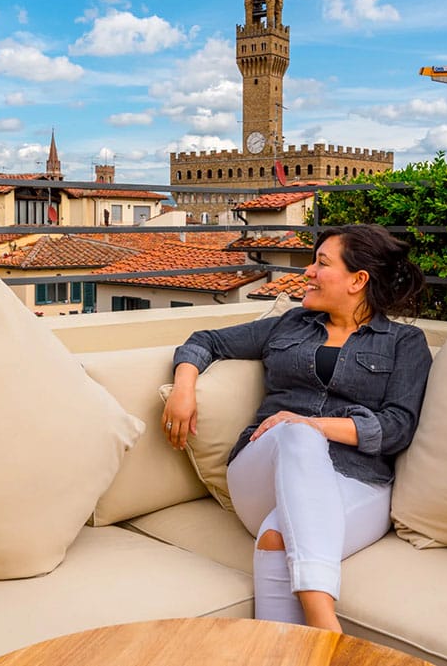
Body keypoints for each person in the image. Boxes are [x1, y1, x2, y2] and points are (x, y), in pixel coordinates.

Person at [162, 224, 432, 632]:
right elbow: (206, 341)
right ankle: (325, 624)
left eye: (321, 263)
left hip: (359, 482)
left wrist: (314, 423)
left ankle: (283, 651)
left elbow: (398, 427)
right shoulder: (290, 324)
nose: (307, 271)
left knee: (276, 537)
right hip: (262, 471)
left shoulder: (404, 342)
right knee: (296, 435)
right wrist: (184, 387)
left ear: (358, 281)